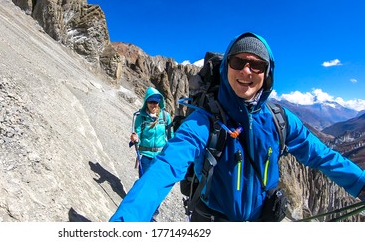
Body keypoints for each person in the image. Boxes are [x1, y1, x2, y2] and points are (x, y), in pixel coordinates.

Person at [110, 32, 365, 222]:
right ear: (225, 68)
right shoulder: (203, 121)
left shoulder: (281, 120)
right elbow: (165, 168)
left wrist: (361, 184)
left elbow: (322, 156)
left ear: (267, 73)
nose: (247, 70)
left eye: (257, 65)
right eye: (238, 61)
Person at [129, 87, 173, 221]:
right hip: (146, 157)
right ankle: (143, 208)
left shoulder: (165, 116)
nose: (154, 105)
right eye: (151, 102)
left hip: (160, 156)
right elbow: (137, 133)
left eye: (156, 102)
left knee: (157, 185)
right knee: (145, 184)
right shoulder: (140, 118)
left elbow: (171, 135)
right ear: (146, 103)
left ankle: (152, 212)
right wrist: (135, 138)